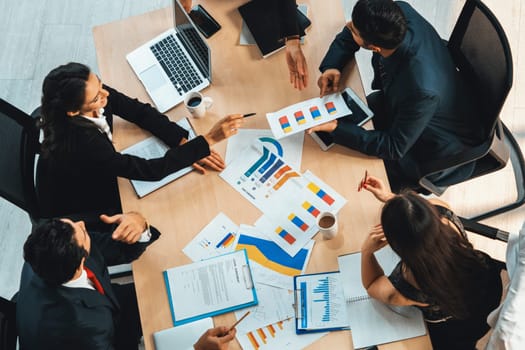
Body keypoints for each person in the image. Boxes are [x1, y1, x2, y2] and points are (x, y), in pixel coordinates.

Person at [309, 0, 483, 192]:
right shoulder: (397, 13)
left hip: (432, 150)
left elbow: (393, 147)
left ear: (374, 47)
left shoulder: (420, 90)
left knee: (342, 172)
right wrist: (333, 65)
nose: (348, 27)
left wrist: (337, 129)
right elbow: (356, 31)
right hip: (407, 106)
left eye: (353, 30)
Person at [37, 62, 244, 217]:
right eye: (96, 98)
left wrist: (180, 140)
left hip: (93, 170)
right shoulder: (83, 144)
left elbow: (137, 111)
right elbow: (149, 171)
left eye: (100, 83)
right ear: (73, 111)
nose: (105, 93)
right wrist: (206, 141)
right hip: (86, 200)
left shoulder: (93, 92)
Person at [360, 174, 503, 349]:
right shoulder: (443, 213)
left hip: (459, 327)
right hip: (491, 287)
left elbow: (372, 285)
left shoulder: (408, 285)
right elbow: (422, 212)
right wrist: (393, 199)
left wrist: (366, 252)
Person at [17, 212, 160, 349]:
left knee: (158, 288)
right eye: (83, 233)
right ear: (81, 263)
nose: (82, 223)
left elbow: (121, 250)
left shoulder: (44, 250)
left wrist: (140, 225)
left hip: (106, 303)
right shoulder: (85, 328)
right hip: (103, 335)